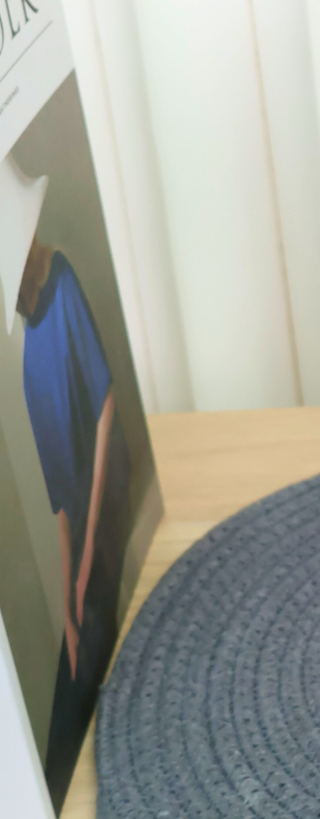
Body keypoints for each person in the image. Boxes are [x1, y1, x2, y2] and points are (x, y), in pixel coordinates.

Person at [0, 153, 130, 810]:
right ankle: (57, 792)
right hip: (77, 516)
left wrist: (83, 574)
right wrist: (65, 600)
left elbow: (105, 408)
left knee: (97, 625)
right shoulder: (26, 363)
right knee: (74, 651)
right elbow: (57, 501)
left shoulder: (66, 281)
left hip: (110, 490)